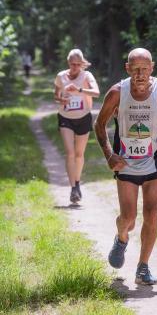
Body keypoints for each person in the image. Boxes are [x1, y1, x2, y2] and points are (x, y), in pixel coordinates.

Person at [94, 48, 157, 285]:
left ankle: (143, 267)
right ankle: (121, 237)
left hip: (153, 163)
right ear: (128, 69)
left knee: (152, 214)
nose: (140, 74)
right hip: (126, 165)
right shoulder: (117, 92)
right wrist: (109, 155)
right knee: (129, 217)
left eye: (145, 69)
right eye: (136, 69)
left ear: (152, 68)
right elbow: (99, 124)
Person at [54, 48, 100, 204]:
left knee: (79, 154)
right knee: (70, 153)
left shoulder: (87, 75)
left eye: (78, 64)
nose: (75, 67)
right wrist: (62, 101)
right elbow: (56, 95)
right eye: (72, 64)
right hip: (65, 117)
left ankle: (78, 182)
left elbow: (97, 93)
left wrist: (79, 89)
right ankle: (73, 188)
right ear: (68, 63)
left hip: (83, 118)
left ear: (82, 64)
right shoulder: (61, 76)